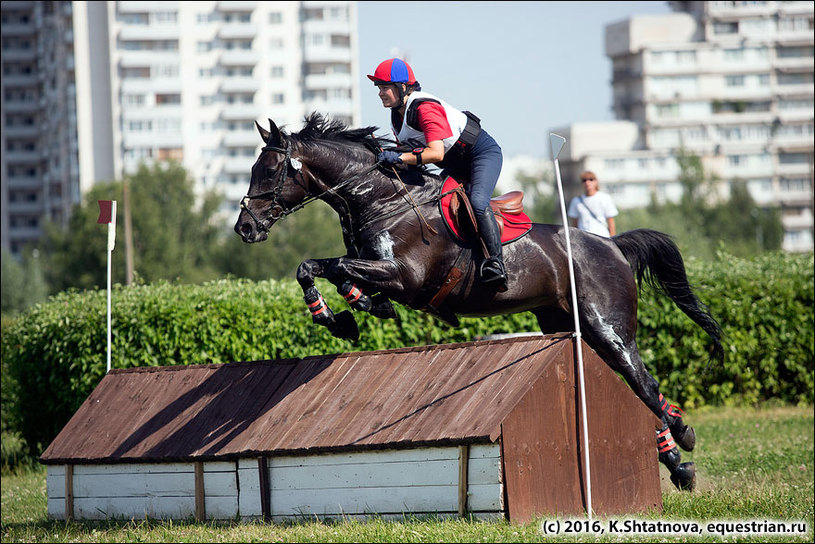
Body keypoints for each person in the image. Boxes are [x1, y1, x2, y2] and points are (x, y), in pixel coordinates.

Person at [368, 58, 507, 291]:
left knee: (478, 202)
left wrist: (400, 158)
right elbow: (411, 156)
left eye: (385, 87)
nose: (380, 93)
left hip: (480, 154)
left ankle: (496, 262)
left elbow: (435, 152)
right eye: (379, 88)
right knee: (433, 202)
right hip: (455, 162)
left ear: (403, 87)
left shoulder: (423, 108)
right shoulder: (397, 116)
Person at [567, 170, 618, 237]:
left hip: (602, 237)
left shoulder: (605, 198)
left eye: (591, 179)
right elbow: (574, 225)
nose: (587, 182)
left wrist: (613, 239)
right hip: (584, 238)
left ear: (596, 181)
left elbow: (611, 222)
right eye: (584, 180)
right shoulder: (576, 201)